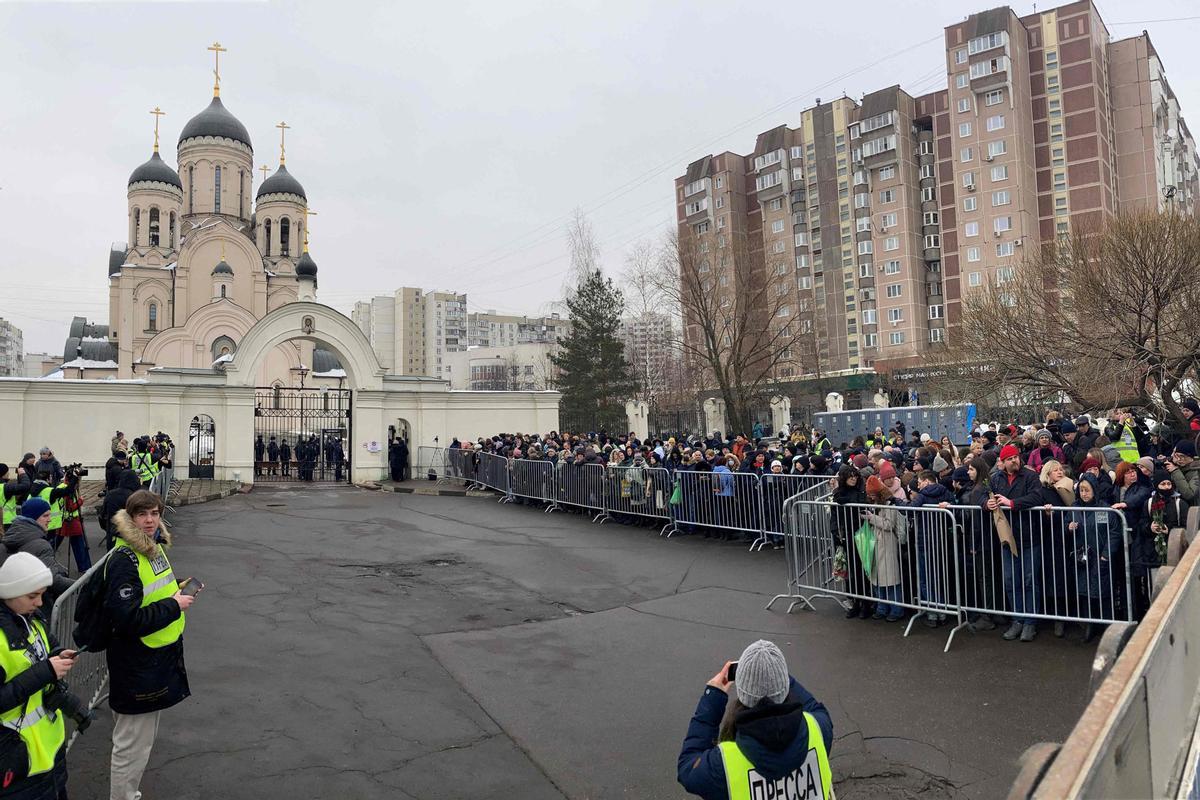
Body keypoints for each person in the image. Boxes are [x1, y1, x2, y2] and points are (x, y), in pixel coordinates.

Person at [105, 490, 194, 800]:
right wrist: (174, 606)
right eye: (142, 515)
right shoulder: (126, 558)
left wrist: (177, 589)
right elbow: (126, 619)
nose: (149, 520)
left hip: (155, 657)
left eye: (154, 513)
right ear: (131, 518)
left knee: (141, 741)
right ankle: (122, 797)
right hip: (137, 660)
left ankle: (128, 793)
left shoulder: (152, 548)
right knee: (132, 744)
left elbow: (152, 591)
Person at [677, 640, 833, 800]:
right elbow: (814, 707)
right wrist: (776, 676)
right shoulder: (818, 728)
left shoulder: (723, 765)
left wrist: (713, 697)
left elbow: (688, 767)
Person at [0, 552, 80, 800]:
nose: (39, 602)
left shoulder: (30, 619)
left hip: (48, 752)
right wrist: (46, 671)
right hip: (17, 761)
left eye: (42, 595)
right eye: (32, 596)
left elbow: (45, 645)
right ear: (9, 593)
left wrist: (58, 654)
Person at [985, 444, 1045, 642]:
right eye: (1010, 459)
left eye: (1016, 457)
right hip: (1007, 538)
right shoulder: (996, 479)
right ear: (1002, 462)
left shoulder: (1030, 476)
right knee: (1011, 581)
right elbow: (983, 497)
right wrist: (987, 504)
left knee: (1029, 581)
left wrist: (1012, 503)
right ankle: (1017, 619)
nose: (1014, 461)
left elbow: (1037, 497)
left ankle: (1030, 622)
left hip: (1029, 537)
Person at [1, 498, 74, 611]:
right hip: (36, 607)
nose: (50, 520)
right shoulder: (41, 545)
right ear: (33, 518)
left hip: (9, 604)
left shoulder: (8, 537)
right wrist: (80, 584)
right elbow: (53, 580)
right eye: (45, 516)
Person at [863, 475, 905, 621]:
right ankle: (882, 607)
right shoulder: (876, 502)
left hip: (886, 543)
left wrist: (871, 518)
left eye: (872, 494)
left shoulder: (889, 504)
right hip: (877, 542)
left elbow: (889, 524)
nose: (870, 496)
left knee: (890, 580)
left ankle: (895, 609)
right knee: (879, 579)